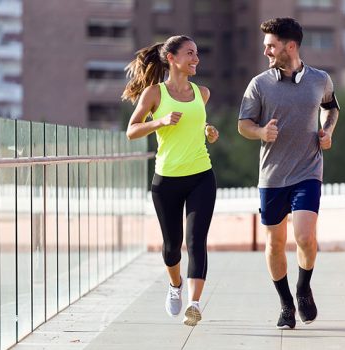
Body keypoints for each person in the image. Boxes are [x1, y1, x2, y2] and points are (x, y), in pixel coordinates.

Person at [238, 17, 340, 329]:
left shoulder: (320, 79)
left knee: (306, 238)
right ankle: (286, 304)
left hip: (308, 170)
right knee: (275, 243)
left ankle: (303, 287)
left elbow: (332, 107)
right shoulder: (259, 84)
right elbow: (243, 125)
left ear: (290, 46)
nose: (266, 50)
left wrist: (327, 131)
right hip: (272, 176)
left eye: (271, 45)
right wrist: (260, 133)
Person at [123, 35, 219, 327]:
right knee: (172, 246)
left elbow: (194, 122)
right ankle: (175, 285)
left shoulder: (202, 93)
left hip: (201, 175)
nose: (196, 59)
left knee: (196, 240)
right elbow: (132, 130)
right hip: (166, 180)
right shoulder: (154, 93)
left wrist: (208, 131)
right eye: (190, 53)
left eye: (197, 54)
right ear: (173, 58)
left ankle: (194, 303)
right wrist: (160, 122)